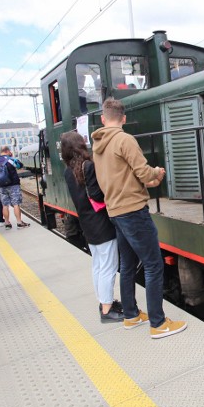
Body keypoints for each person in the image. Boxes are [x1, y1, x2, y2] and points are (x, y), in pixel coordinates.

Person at [91, 98, 187, 339]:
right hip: (133, 210)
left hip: (115, 210)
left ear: (103, 119)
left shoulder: (98, 145)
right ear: (123, 118)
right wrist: (157, 173)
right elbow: (143, 173)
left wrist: (147, 180)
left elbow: (120, 177)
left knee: (127, 266)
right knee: (154, 265)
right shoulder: (124, 139)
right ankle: (158, 323)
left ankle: (131, 315)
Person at [60, 131, 123, 322]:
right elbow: (96, 195)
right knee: (108, 266)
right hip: (101, 223)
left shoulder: (67, 170)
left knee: (98, 264)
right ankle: (107, 310)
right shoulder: (88, 166)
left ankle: (104, 302)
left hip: (87, 223)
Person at [0, 146, 29, 229]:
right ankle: (19, 222)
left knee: (5, 205)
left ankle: (7, 223)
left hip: (1, 186)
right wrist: (11, 156)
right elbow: (20, 165)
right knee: (16, 204)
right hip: (13, 185)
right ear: (8, 151)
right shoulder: (11, 160)